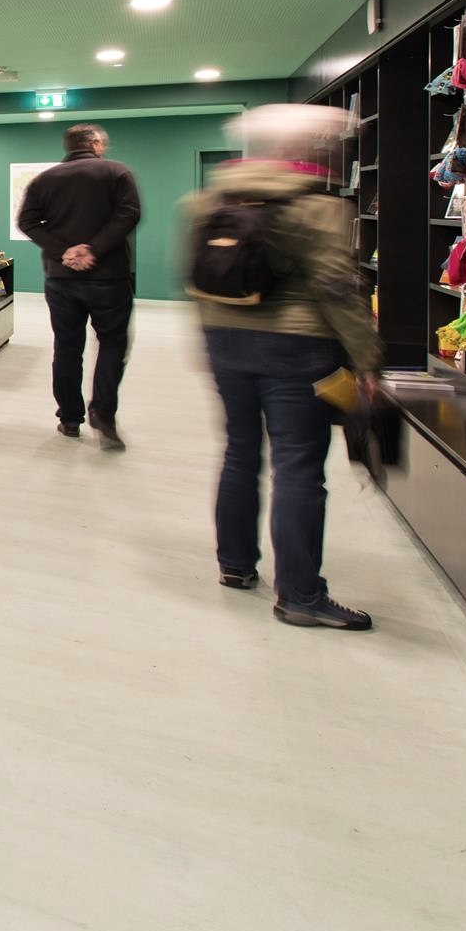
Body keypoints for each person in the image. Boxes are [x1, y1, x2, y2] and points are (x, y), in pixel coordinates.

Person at [185, 104, 383, 630]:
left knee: (239, 451)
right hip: (299, 348)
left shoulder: (207, 201)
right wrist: (367, 359)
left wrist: (207, 340)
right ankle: (299, 594)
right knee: (298, 465)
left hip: (225, 343)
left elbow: (193, 277)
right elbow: (337, 289)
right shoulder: (319, 206)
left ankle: (235, 564)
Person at [17, 123, 142, 447]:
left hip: (61, 279)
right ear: (95, 144)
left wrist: (64, 251)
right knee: (112, 345)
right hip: (109, 278)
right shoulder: (117, 172)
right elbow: (129, 214)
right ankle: (103, 414)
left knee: (67, 347)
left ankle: (70, 418)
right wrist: (93, 249)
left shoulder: (44, 180)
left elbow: (26, 222)